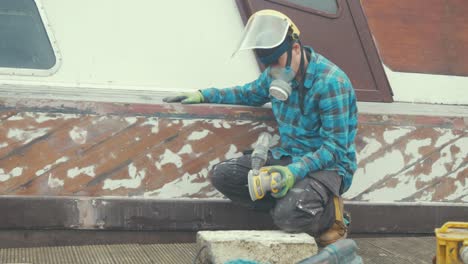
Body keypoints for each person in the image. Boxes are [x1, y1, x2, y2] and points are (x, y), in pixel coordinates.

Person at [163, 9, 358, 246]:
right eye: (268, 66)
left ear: (295, 49)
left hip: (327, 167)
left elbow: (335, 147)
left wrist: (293, 172)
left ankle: (331, 217)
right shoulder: (274, 75)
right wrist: (203, 94)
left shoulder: (331, 83)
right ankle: (295, 205)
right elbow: (247, 93)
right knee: (224, 175)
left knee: (287, 217)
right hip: (289, 157)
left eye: (277, 62)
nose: (273, 71)